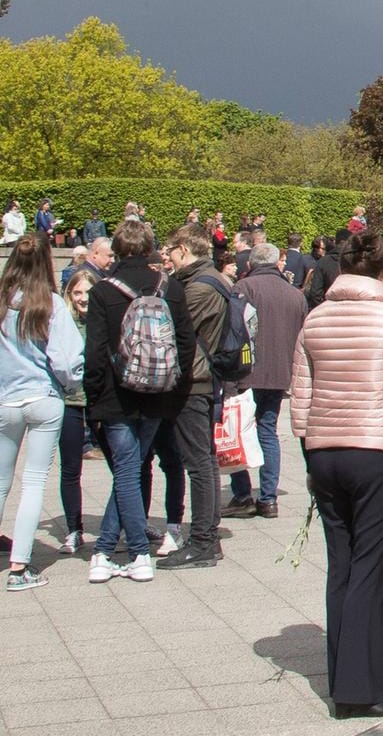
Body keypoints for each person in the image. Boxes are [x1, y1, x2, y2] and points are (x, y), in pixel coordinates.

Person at [290, 230, 383, 720]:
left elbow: (301, 395)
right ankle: (360, 686)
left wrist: (310, 450)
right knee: (371, 570)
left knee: (342, 565)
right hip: (377, 451)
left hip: (326, 448)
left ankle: (343, 674)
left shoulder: (316, 319)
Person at [83, 220, 192, 584]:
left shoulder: (103, 291)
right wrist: (176, 392)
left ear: (115, 249)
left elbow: (96, 353)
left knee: (127, 471)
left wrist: (93, 397)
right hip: (159, 392)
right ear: (150, 248)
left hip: (117, 395)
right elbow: (186, 346)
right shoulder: (170, 287)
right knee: (130, 470)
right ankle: (104, 549)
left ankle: (135, 554)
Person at [0, 233, 84, 590]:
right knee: (33, 483)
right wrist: (69, 385)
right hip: (44, 397)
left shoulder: (3, 302)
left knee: (1, 480)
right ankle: (20, 566)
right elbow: (66, 361)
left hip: (6, 398)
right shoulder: (50, 303)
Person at [157, 223, 230, 569]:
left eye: (170, 250)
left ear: (184, 249)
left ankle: (202, 540)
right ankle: (206, 538)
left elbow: (173, 332)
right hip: (205, 378)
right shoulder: (211, 279)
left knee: (199, 463)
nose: (167, 257)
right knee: (205, 461)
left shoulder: (197, 288)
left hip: (194, 381)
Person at [226, 244, 307, 518]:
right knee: (267, 430)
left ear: (251, 262)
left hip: (246, 370)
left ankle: (242, 493)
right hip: (280, 371)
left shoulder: (244, 287)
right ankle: (268, 496)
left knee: (239, 429)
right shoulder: (294, 295)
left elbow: (234, 329)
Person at [56, 268, 97, 555]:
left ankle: (127, 522)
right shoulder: (63, 323)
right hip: (69, 401)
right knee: (70, 468)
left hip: (98, 400)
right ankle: (74, 528)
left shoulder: (101, 320)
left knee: (123, 466)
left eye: (87, 292)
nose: (83, 298)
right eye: (77, 292)